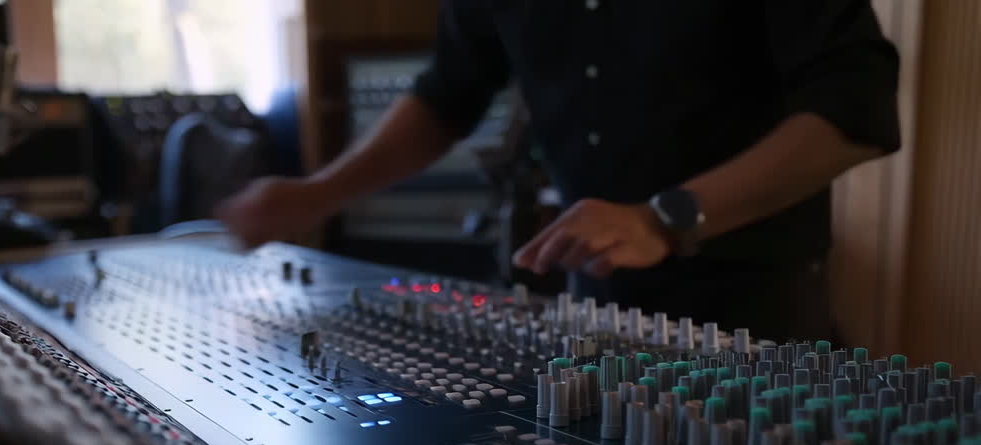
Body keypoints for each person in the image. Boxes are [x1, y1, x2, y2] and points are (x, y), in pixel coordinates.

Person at [217, 1, 901, 342]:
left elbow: (854, 111)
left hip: (756, 313)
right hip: (595, 303)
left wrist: (665, 217)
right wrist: (316, 195)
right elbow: (447, 96)